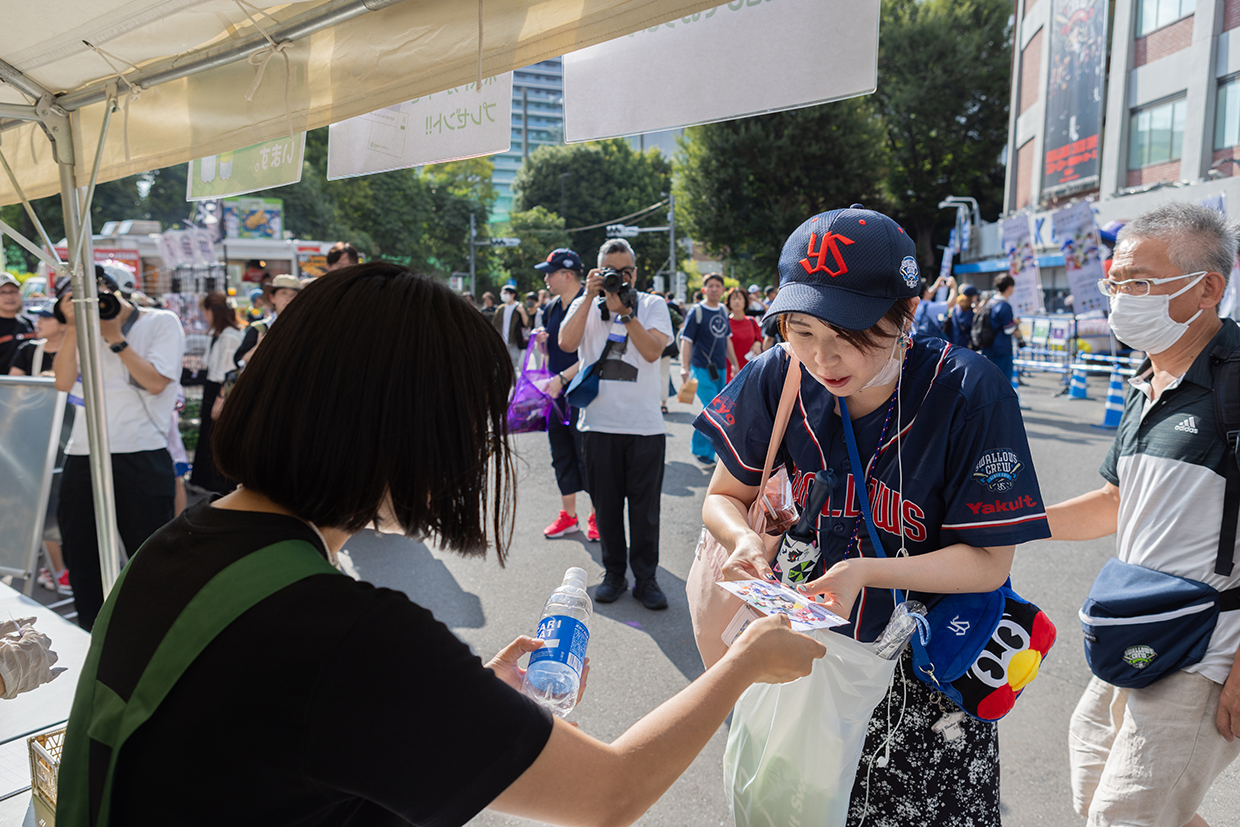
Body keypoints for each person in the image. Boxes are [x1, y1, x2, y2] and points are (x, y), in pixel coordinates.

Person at [55, 262, 826, 826]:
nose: (469, 455)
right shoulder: (351, 635)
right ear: (397, 428)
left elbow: (279, 746)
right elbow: (611, 792)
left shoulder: (181, 545)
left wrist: (459, 696)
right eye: (465, 426)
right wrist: (743, 663)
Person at [696, 205, 1051, 826]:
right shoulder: (777, 376)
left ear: (905, 313)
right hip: (799, 658)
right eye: (801, 331)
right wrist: (741, 544)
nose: (824, 359)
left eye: (850, 334)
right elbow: (723, 495)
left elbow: (989, 563)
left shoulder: (968, 393)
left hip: (921, 684)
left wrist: (864, 572)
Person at [1046, 203, 1240, 827]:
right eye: (1116, 283)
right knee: (1095, 791)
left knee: (1123, 819)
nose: (1121, 299)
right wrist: (1003, 523)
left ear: (1208, 288)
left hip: (1208, 651)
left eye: (1139, 284)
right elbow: (1115, 502)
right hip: (1136, 629)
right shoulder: (1147, 378)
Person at [52, 269, 185, 631]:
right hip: (83, 453)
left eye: (99, 295)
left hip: (141, 453)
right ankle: (91, 640)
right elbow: (62, 382)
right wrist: (75, 328)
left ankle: (152, 643)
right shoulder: (81, 329)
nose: (95, 304)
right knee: (82, 560)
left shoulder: (161, 322)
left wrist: (114, 338)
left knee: (150, 561)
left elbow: (157, 382)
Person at [559, 239, 674, 610]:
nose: (617, 277)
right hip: (598, 426)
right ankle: (613, 574)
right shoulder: (585, 302)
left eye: (624, 271)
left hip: (644, 427)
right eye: (609, 270)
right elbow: (565, 342)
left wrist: (625, 312)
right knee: (606, 508)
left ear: (635, 273)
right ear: (597, 271)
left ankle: (646, 579)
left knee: (645, 511)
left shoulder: (652, 304)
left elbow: (653, 350)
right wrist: (590, 297)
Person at [533, 248, 597, 542]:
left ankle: (597, 515)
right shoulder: (550, 308)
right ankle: (568, 515)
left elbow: (594, 355)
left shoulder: (592, 304)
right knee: (560, 454)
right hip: (555, 395)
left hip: (584, 394)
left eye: (550, 272)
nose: (545, 278)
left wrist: (562, 378)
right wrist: (541, 345)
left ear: (567, 274)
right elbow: (548, 355)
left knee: (588, 456)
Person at [12, 305, 74, 593]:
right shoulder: (28, 350)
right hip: (32, 441)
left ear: (63, 324)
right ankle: (53, 569)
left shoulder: (80, 350)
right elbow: (16, 391)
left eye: (46, 317)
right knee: (35, 505)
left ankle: (59, 569)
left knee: (62, 506)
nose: (39, 322)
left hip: (72, 441)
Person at [189, 292, 245, 494]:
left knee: (216, 434)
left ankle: (220, 483)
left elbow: (231, 372)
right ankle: (209, 482)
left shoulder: (230, 336)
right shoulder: (220, 334)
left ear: (213, 311)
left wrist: (221, 399)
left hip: (221, 390)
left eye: (205, 311)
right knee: (209, 433)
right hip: (213, 387)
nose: (204, 316)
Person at [680, 273, 739, 464]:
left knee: (712, 410)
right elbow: (686, 341)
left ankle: (702, 449)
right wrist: (684, 367)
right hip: (700, 367)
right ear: (704, 289)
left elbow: (726, 339)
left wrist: (735, 363)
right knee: (712, 409)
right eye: (710, 286)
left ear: (722, 291)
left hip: (720, 367)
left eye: (718, 286)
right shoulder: (696, 311)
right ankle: (702, 451)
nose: (714, 289)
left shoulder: (722, 309)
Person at [235, 274, 300, 368]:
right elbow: (239, 362)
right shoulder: (259, 329)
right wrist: (259, 348)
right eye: (283, 293)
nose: (288, 299)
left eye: (293, 295)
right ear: (272, 297)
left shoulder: (306, 329)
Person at [980, 274, 1018, 382]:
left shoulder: (990, 303)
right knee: (1003, 383)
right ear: (1009, 287)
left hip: (988, 346)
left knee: (989, 381)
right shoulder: (1004, 305)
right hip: (1002, 349)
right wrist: (1015, 323)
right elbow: (1008, 329)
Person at [725, 287, 763, 383]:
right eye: (733, 298)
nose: (737, 301)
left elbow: (759, 339)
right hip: (730, 373)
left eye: (740, 298)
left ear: (745, 301)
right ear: (729, 302)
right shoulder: (725, 323)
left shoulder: (751, 321)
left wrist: (757, 343)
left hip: (750, 372)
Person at [0, 273, 36, 369]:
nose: (9, 297)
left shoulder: (27, 322)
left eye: (13, 291)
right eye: (3, 292)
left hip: (29, 382)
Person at [492, 285, 529, 370]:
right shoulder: (501, 308)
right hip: (502, 341)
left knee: (513, 365)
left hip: (514, 341)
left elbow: (527, 323)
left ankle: (514, 382)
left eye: (506, 293)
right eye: (502, 293)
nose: (503, 295)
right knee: (503, 365)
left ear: (513, 295)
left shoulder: (519, 307)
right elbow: (494, 324)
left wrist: (522, 312)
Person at [911, 274, 957, 341]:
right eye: (929, 288)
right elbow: (950, 303)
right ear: (925, 292)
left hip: (918, 339)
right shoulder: (929, 307)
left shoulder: (916, 304)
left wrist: (936, 285)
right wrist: (953, 287)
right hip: (930, 341)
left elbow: (929, 293)